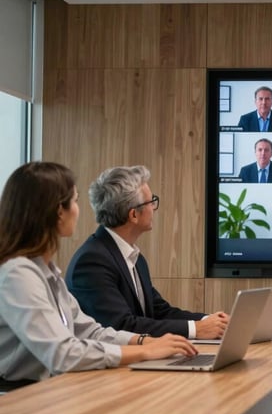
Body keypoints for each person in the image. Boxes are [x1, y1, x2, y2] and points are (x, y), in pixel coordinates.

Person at [0, 162, 198, 385]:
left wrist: (144, 341)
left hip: (48, 389)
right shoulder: (17, 275)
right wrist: (143, 352)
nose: (78, 210)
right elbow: (63, 354)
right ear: (58, 212)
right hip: (20, 395)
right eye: (75, 201)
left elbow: (91, 332)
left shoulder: (46, 272)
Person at [66, 166, 230, 339]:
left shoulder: (134, 258)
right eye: (150, 202)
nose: (153, 207)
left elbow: (159, 311)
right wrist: (196, 329)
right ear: (133, 215)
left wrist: (210, 321)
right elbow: (122, 326)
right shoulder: (92, 262)